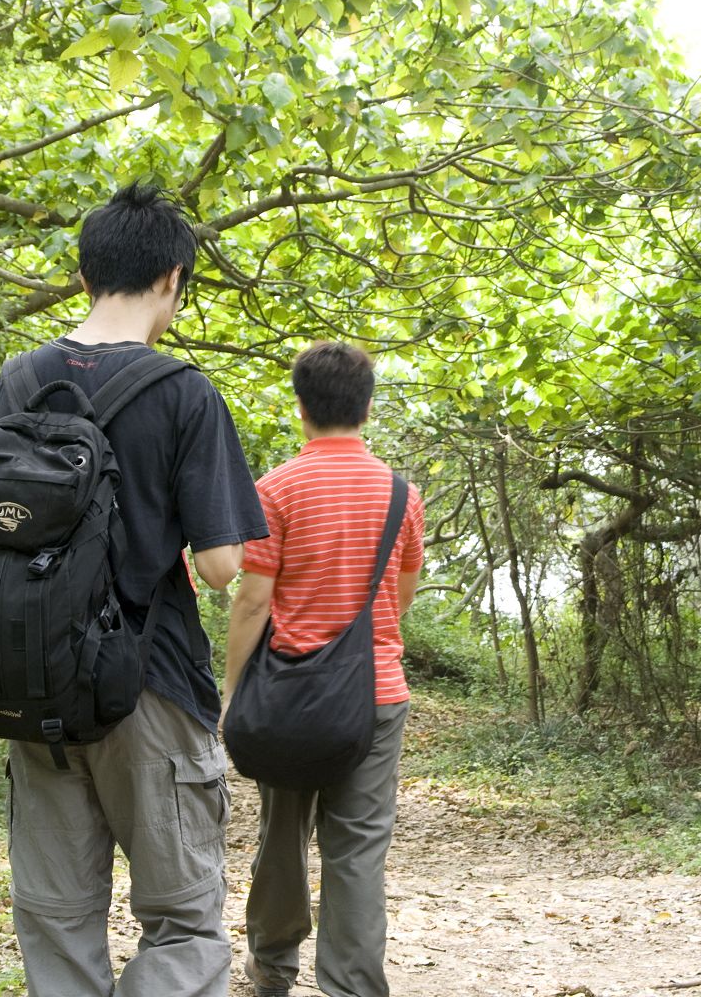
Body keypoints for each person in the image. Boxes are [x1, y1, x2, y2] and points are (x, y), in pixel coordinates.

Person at [0, 180, 269, 997]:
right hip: (151, 686)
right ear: (174, 278)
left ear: (84, 276)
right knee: (181, 921)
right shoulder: (184, 393)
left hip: (31, 683)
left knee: (57, 920)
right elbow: (219, 567)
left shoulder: (16, 380)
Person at [225, 341, 426, 997]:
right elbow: (400, 596)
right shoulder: (402, 496)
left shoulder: (276, 489)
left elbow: (252, 600)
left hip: (288, 695)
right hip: (375, 694)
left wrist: (232, 692)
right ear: (366, 408)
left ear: (300, 406)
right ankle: (353, 986)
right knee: (359, 851)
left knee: (282, 837)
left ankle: (272, 968)